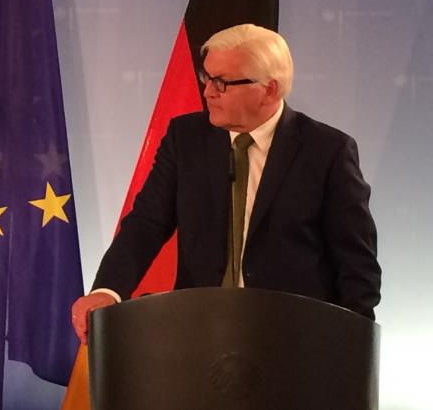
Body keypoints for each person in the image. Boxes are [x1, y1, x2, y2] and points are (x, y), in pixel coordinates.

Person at [71, 24, 381, 343]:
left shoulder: (326, 151)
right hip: (200, 332)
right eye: (206, 77)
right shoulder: (185, 138)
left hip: (294, 340)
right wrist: (108, 289)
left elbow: (356, 261)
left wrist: (351, 346)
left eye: (222, 82)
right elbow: (146, 223)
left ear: (269, 90)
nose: (208, 92)